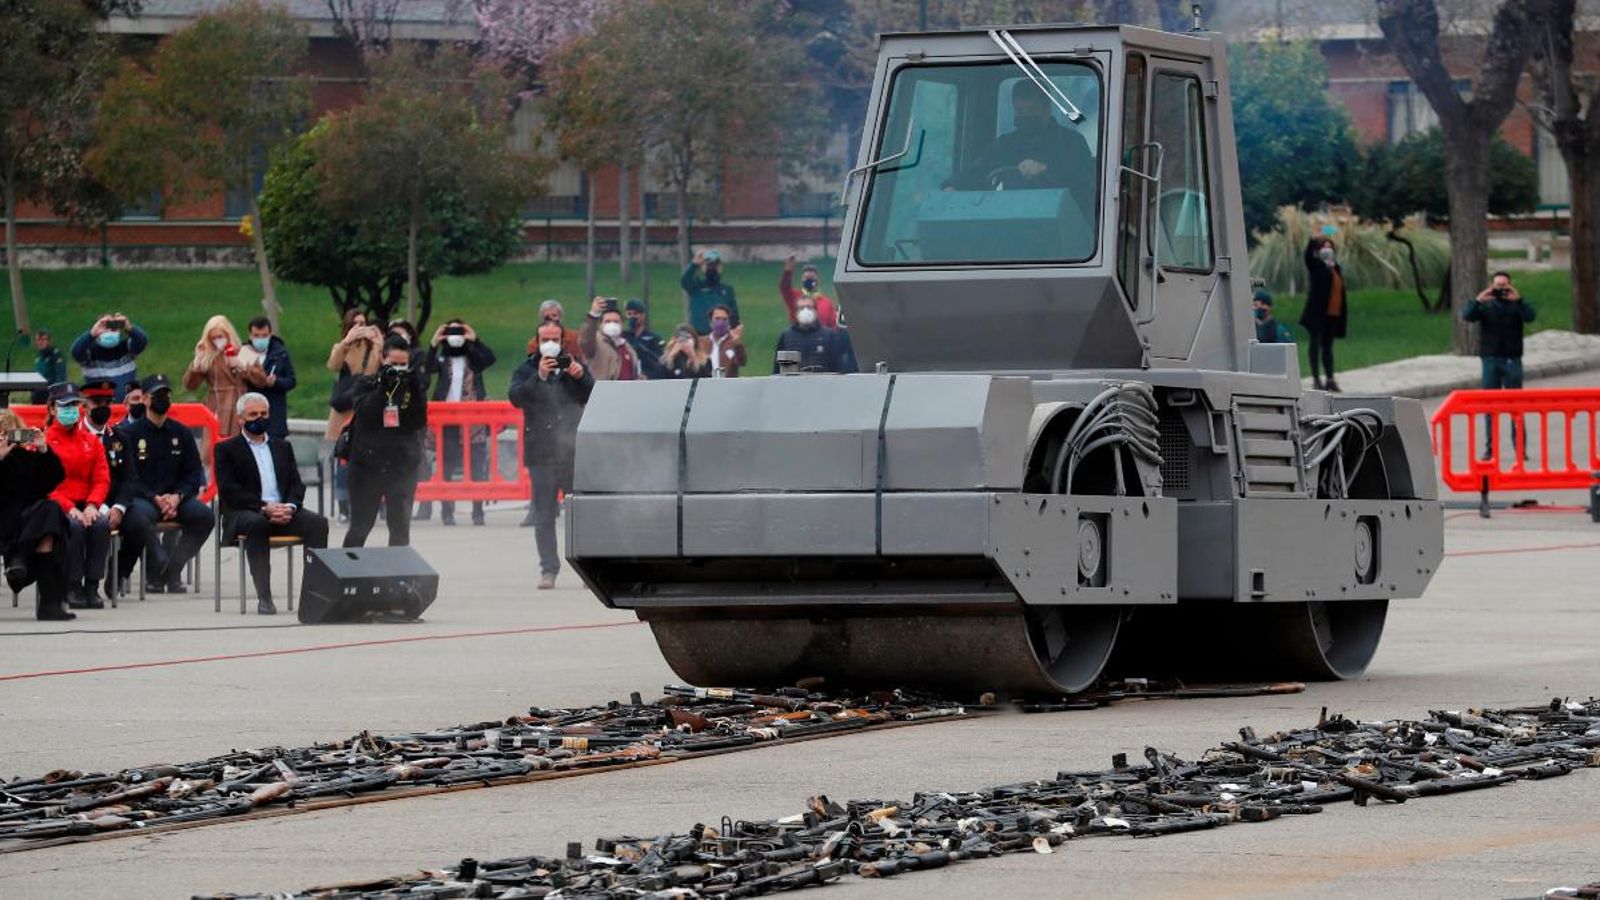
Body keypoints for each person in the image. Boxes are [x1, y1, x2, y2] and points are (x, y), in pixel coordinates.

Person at [216, 393, 331, 615]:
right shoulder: (227, 449)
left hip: (282, 511)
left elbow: (296, 484)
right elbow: (229, 490)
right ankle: (265, 598)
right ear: (240, 419)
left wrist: (290, 507)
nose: (259, 418)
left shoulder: (282, 446)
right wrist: (264, 507)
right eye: (253, 414)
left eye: (264, 413)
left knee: (318, 524)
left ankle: (313, 596)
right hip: (246, 513)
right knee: (257, 523)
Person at [508, 322, 594, 589]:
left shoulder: (572, 364)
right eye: (545, 338)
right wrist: (540, 377)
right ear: (537, 341)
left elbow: (592, 394)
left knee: (578, 514)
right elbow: (516, 397)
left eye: (555, 338)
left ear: (563, 340)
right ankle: (548, 569)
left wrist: (581, 376)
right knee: (543, 515)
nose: (550, 343)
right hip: (541, 454)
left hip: (571, 451)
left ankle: (587, 571)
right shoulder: (526, 369)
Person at [122, 374, 214, 594]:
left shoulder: (181, 432)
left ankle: (173, 568)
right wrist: (154, 497)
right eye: (157, 395)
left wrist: (178, 496)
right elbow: (128, 476)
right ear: (145, 399)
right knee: (139, 518)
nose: (162, 398)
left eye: (166, 394)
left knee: (204, 516)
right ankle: (155, 569)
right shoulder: (129, 434)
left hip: (176, 499)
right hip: (144, 498)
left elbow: (193, 472)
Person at [943, 81, 1096, 202]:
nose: (1025, 117)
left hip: (1065, 226)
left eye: (1032, 110)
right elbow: (978, 171)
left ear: (1047, 109)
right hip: (1011, 224)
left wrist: (1046, 170)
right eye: (1019, 111)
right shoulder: (1004, 145)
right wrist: (953, 186)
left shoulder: (1072, 142)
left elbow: (1088, 185)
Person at [342, 336, 429, 548]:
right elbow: (366, 414)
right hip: (367, 466)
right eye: (393, 363)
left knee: (400, 528)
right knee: (361, 526)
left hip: (401, 465)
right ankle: (348, 566)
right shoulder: (366, 383)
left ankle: (398, 569)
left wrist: (414, 387)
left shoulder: (411, 387)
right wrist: (384, 388)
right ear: (382, 359)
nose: (398, 369)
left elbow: (418, 421)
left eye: (403, 364)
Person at [0, 409, 75, 620]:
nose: (7, 439)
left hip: (27, 521)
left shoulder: (28, 459)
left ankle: (20, 559)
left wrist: (44, 449)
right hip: (5, 521)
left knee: (50, 511)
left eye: (11, 433)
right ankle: (48, 603)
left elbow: (54, 479)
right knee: (49, 524)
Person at [43, 383, 111, 609]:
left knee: (101, 525)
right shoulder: (44, 441)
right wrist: (70, 508)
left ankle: (92, 585)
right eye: (65, 405)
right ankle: (72, 585)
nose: (71, 410)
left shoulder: (90, 441)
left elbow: (101, 478)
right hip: (57, 505)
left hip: (86, 503)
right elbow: (44, 484)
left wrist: (92, 505)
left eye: (75, 405)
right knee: (75, 527)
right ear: (53, 409)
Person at [423, 317, 496, 526]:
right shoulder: (442, 359)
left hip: (473, 419)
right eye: (451, 333)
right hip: (447, 419)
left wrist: (474, 339)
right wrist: (434, 343)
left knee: (476, 467)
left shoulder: (473, 359)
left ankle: (478, 511)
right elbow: (426, 368)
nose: (455, 337)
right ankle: (447, 511)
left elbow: (490, 359)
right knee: (446, 466)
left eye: (459, 332)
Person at [81, 380, 150, 598]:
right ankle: (82, 584)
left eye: (106, 402)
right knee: (92, 528)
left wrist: (119, 507)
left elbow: (129, 479)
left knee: (140, 525)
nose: (102, 407)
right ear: (85, 405)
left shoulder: (120, 438)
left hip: (115, 502)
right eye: (96, 402)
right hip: (85, 503)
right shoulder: (76, 436)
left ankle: (119, 572)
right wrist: (99, 507)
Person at [1465, 271, 1537, 459]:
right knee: (1490, 406)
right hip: (1490, 360)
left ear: (1510, 286)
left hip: (1512, 360)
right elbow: (1467, 316)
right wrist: (1478, 300)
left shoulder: (1517, 305)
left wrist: (1519, 300)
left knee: (1516, 406)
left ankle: (1520, 449)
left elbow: (1530, 317)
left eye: (1504, 285)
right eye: (1498, 286)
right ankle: (1491, 449)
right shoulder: (1486, 305)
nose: (1501, 290)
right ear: (1491, 286)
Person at [325, 309, 382, 524]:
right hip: (344, 411)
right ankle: (344, 508)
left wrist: (378, 342)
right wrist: (346, 342)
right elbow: (333, 364)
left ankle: (367, 505)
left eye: (363, 323)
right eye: (355, 324)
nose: (360, 327)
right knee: (343, 461)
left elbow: (378, 369)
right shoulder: (342, 347)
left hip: (365, 409)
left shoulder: (374, 347)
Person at [182, 315, 251, 438]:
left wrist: (242, 365)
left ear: (228, 334)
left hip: (240, 405)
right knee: (214, 443)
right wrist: (197, 361)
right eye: (213, 338)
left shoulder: (243, 351)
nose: (217, 340)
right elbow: (190, 385)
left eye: (220, 336)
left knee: (239, 443)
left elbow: (260, 380)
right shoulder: (208, 357)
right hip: (217, 406)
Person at [1299, 235, 1348, 392]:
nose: (1327, 250)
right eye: (1324, 247)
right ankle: (1316, 379)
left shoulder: (1335, 267)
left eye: (1330, 247)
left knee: (1328, 347)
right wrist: (1312, 241)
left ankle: (1330, 378)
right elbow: (1307, 256)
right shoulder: (1316, 265)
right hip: (1318, 314)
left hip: (1333, 313)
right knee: (1315, 345)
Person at [70, 312, 148, 400]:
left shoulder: (126, 348)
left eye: (113, 327)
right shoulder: (90, 352)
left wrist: (129, 328)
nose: (110, 331)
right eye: (105, 327)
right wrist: (91, 334)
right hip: (101, 406)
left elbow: (142, 341)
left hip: (126, 405)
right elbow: (76, 352)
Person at [773, 294, 858, 374]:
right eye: (801, 308)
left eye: (809, 307)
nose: (805, 311)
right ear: (796, 313)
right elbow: (777, 370)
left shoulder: (828, 335)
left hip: (822, 383)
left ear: (816, 311)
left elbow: (837, 367)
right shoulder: (786, 336)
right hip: (793, 383)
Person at [242, 316, 297, 438]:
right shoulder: (245, 352)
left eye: (264, 335)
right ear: (250, 335)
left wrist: (276, 382)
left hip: (274, 413)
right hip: (251, 411)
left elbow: (291, 381)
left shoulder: (280, 353)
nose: (260, 339)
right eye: (256, 335)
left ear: (270, 334)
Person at [579, 296, 645, 381]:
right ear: (600, 324)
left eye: (616, 321)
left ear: (621, 324)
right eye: (607, 321)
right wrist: (593, 315)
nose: (612, 324)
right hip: (602, 388)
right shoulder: (595, 343)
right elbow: (585, 339)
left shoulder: (628, 347)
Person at [681, 248, 739, 334]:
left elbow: (734, 316)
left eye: (715, 265)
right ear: (702, 267)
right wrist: (694, 264)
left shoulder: (727, 290)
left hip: (720, 335)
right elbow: (685, 281)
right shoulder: (696, 286)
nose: (712, 268)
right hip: (699, 335)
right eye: (709, 265)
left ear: (720, 267)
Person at [779, 255, 839, 329]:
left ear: (817, 280)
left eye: (812, 278)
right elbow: (784, 287)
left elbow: (833, 326)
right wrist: (787, 270)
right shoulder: (795, 297)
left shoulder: (826, 303)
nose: (809, 280)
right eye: (806, 278)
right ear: (802, 279)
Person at [624, 299, 667, 379]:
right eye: (629, 314)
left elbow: (660, 362)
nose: (632, 317)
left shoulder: (654, 338)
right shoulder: (623, 337)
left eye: (635, 314)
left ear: (643, 315)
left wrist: (648, 376)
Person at [702, 304, 747, 378]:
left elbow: (742, 362)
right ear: (710, 322)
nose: (720, 322)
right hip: (707, 382)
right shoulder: (702, 342)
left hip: (727, 383)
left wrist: (737, 342)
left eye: (724, 319)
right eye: (717, 319)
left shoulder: (733, 343)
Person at [31, 329, 68, 404]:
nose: (40, 342)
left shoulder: (56, 355)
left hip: (51, 392)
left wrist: (54, 393)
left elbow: (61, 376)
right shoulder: (38, 356)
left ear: (49, 341)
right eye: (38, 340)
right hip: (38, 392)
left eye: (43, 340)